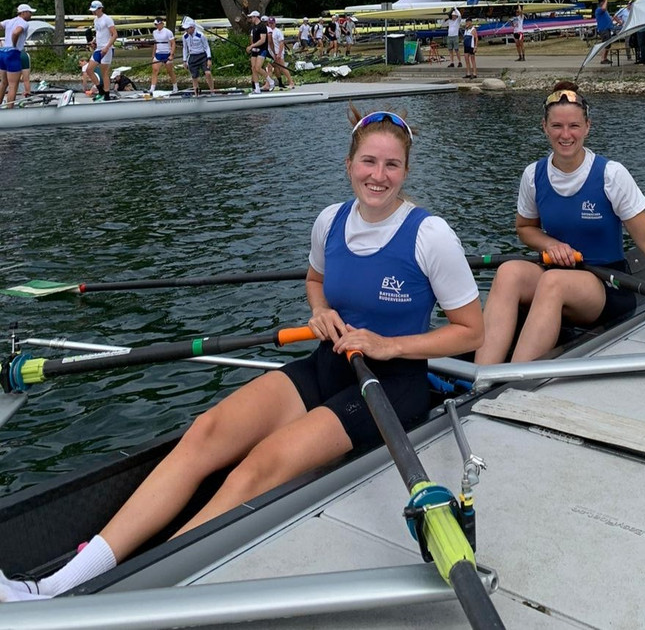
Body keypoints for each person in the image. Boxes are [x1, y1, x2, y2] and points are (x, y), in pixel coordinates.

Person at [0, 108, 483, 603]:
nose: (378, 176)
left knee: (261, 465)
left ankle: (126, 591)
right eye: (368, 162)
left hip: (391, 387)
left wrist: (388, 345)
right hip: (328, 364)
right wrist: (319, 313)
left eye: (391, 166)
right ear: (348, 164)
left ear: (406, 171)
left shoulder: (430, 236)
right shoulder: (330, 221)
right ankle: (59, 582)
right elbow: (316, 282)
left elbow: (470, 332)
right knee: (205, 431)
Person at [474, 82, 645, 365]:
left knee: (552, 281)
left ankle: (513, 377)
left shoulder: (611, 175)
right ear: (544, 127)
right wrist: (551, 244)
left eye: (574, 126)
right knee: (509, 272)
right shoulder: (533, 175)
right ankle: (482, 375)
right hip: (557, 272)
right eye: (557, 126)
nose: (566, 134)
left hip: (606, 285)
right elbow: (525, 228)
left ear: (587, 127)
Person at [0, 3, 35, 109]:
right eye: (30, 13)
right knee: (13, 85)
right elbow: (16, 33)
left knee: (3, 83)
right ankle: (10, 110)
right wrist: (14, 44)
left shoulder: (9, 21)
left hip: (2, 53)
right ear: (23, 13)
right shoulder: (24, 23)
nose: (31, 15)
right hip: (13, 54)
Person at [85, 0, 117, 102]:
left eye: (95, 10)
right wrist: (94, 41)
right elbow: (99, 33)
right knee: (89, 70)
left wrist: (107, 47)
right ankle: (101, 90)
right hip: (98, 49)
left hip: (106, 49)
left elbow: (114, 34)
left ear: (100, 9)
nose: (93, 12)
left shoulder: (107, 19)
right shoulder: (96, 20)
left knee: (104, 73)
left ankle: (106, 95)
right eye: (92, 10)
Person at [181, 17, 214, 95]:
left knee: (208, 73)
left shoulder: (200, 35)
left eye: (187, 29)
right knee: (194, 77)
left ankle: (212, 91)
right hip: (192, 57)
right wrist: (184, 60)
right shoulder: (185, 36)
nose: (186, 31)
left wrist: (209, 58)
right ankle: (196, 94)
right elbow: (185, 48)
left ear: (192, 28)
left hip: (202, 56)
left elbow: (206, 47)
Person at [245, 10, 272, 93]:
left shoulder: (262, 27)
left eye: (252, 17)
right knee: (253, 68)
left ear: (256, 17)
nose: (251, 19)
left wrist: (251, 46)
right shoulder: (253, 27)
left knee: (258, 68)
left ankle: (271, 81)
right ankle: (257, 88)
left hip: (262, 50)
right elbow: (253, 39)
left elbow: (263, 40)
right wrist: (251, 47)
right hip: (254, 50)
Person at [149, 17, 178, 94]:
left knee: (170, 71)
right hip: (158, 54)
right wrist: (153, 54)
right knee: (155, 70)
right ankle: (152, 89)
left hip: (167, 53)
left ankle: (175, 87)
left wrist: (171, 55)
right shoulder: (154, 32)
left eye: (157, 24)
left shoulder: (168, 32)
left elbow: (173, 43)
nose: (156, 26)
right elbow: (155, 44)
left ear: (162, 23)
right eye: (155, 25)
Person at [267, 17, 293, 89]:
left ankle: (291, 82)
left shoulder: (278, 31)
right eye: (269, 23)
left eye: (272, 23)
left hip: (278, 52)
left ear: (275, 23)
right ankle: (278, 82)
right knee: (272, 68)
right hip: (270, 52)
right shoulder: (268, 31)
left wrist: (279, 53)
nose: (271, 24)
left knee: (282, 67)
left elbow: (281, 43)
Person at [595, 0, 613, 65]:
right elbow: (604, 8)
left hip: (607, 29)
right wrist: (606, 1)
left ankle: (605, 58)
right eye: (605, 2)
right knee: (605, 44)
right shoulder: (599, 9)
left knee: (608, 45)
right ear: (601, 2)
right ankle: (602, 59)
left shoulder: (604, 11)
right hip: (603, 29)